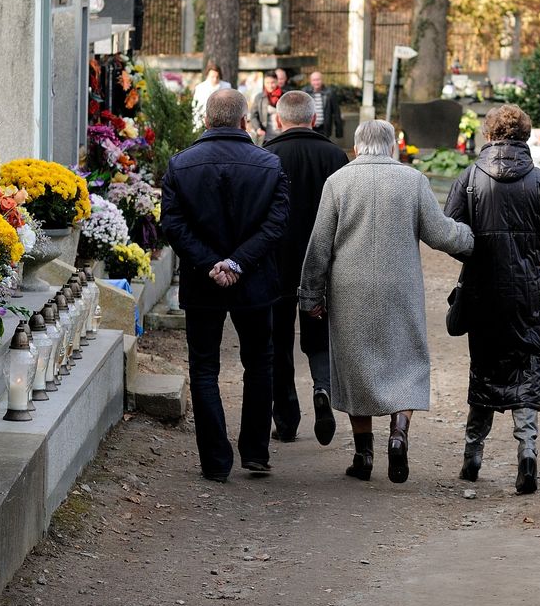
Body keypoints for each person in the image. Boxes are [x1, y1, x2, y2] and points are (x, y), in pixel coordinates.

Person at [299, 120, 473, 483]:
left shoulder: (338, 182)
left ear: (358, 147)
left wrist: (310, 296)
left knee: (354, 367)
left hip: (350, 290)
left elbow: (319, 247)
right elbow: (441, 234)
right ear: (392, 146)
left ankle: (363, 455)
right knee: (407, 361)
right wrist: (472, 238)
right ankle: (399, 433)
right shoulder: (413, 181)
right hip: (400, 287)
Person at [161, 89, 291, 482]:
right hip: (252, 280)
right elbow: (276, 223)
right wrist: (237, 261)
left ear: (206, 119)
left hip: (205, 283)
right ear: (243, 121)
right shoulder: (268, 164)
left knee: (204, 368)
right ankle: (254, 451)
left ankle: (216, 461)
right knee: (259, 364)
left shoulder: (181, 164)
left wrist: (211, 263)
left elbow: (173, 225)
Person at [443, 104, 540, 494]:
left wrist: (477, 253)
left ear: (489, 135)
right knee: (527, 367)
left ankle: (472, 456)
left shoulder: (470, 178)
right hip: (528, 291)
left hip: (483, 289)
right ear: (524, 136)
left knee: (486, 370)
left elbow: (453, 236)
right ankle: (527, 452)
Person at [263, 91, 349, 444]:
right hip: (324, 263)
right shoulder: (335, 155)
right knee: (319, 335)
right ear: (313, 119)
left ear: (279, 120)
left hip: (277, 264)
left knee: (278, 340)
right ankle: (323, 389)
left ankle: (286, 417)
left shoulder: (267, 156)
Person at [302, 71, 344, 139]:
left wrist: (339, 131)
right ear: (310, 81)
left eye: (318, 79)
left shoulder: (330, 93)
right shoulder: (305, 92)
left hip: (324, 128)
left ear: (322, 80)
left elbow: (337, 112)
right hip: (309, 127)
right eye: (314, 80)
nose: (316, 82)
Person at [192, 63, 232, 129]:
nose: (215, 79)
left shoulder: (226, 86)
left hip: (222, 124)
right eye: (212, 77)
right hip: (203, 123)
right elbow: (195, 107)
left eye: (217, 77)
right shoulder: (200, 88)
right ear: (207, 76)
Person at [250, 73, 284, 143]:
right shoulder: (259, 97)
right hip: (266, 137)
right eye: (267, 83)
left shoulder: (284, 96)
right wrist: (258, 129)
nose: (270, 86)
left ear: (277, 81)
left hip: (282, 136)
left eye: (273, 82)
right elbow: (253, 116)